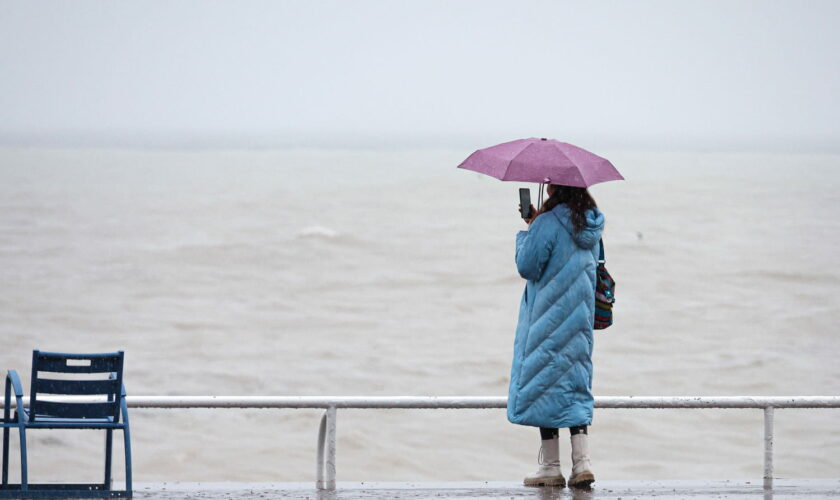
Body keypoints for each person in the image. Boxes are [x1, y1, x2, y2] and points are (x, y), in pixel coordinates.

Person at [508, 183, 604, 489]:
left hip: (548, 319)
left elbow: (528, 266)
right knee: (575, 384)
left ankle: (550, 466)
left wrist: (528, 232)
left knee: (545, 384)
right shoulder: (592, 221)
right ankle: (583, 464)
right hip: (579, 320)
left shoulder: (548, 223)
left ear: (555, 190)